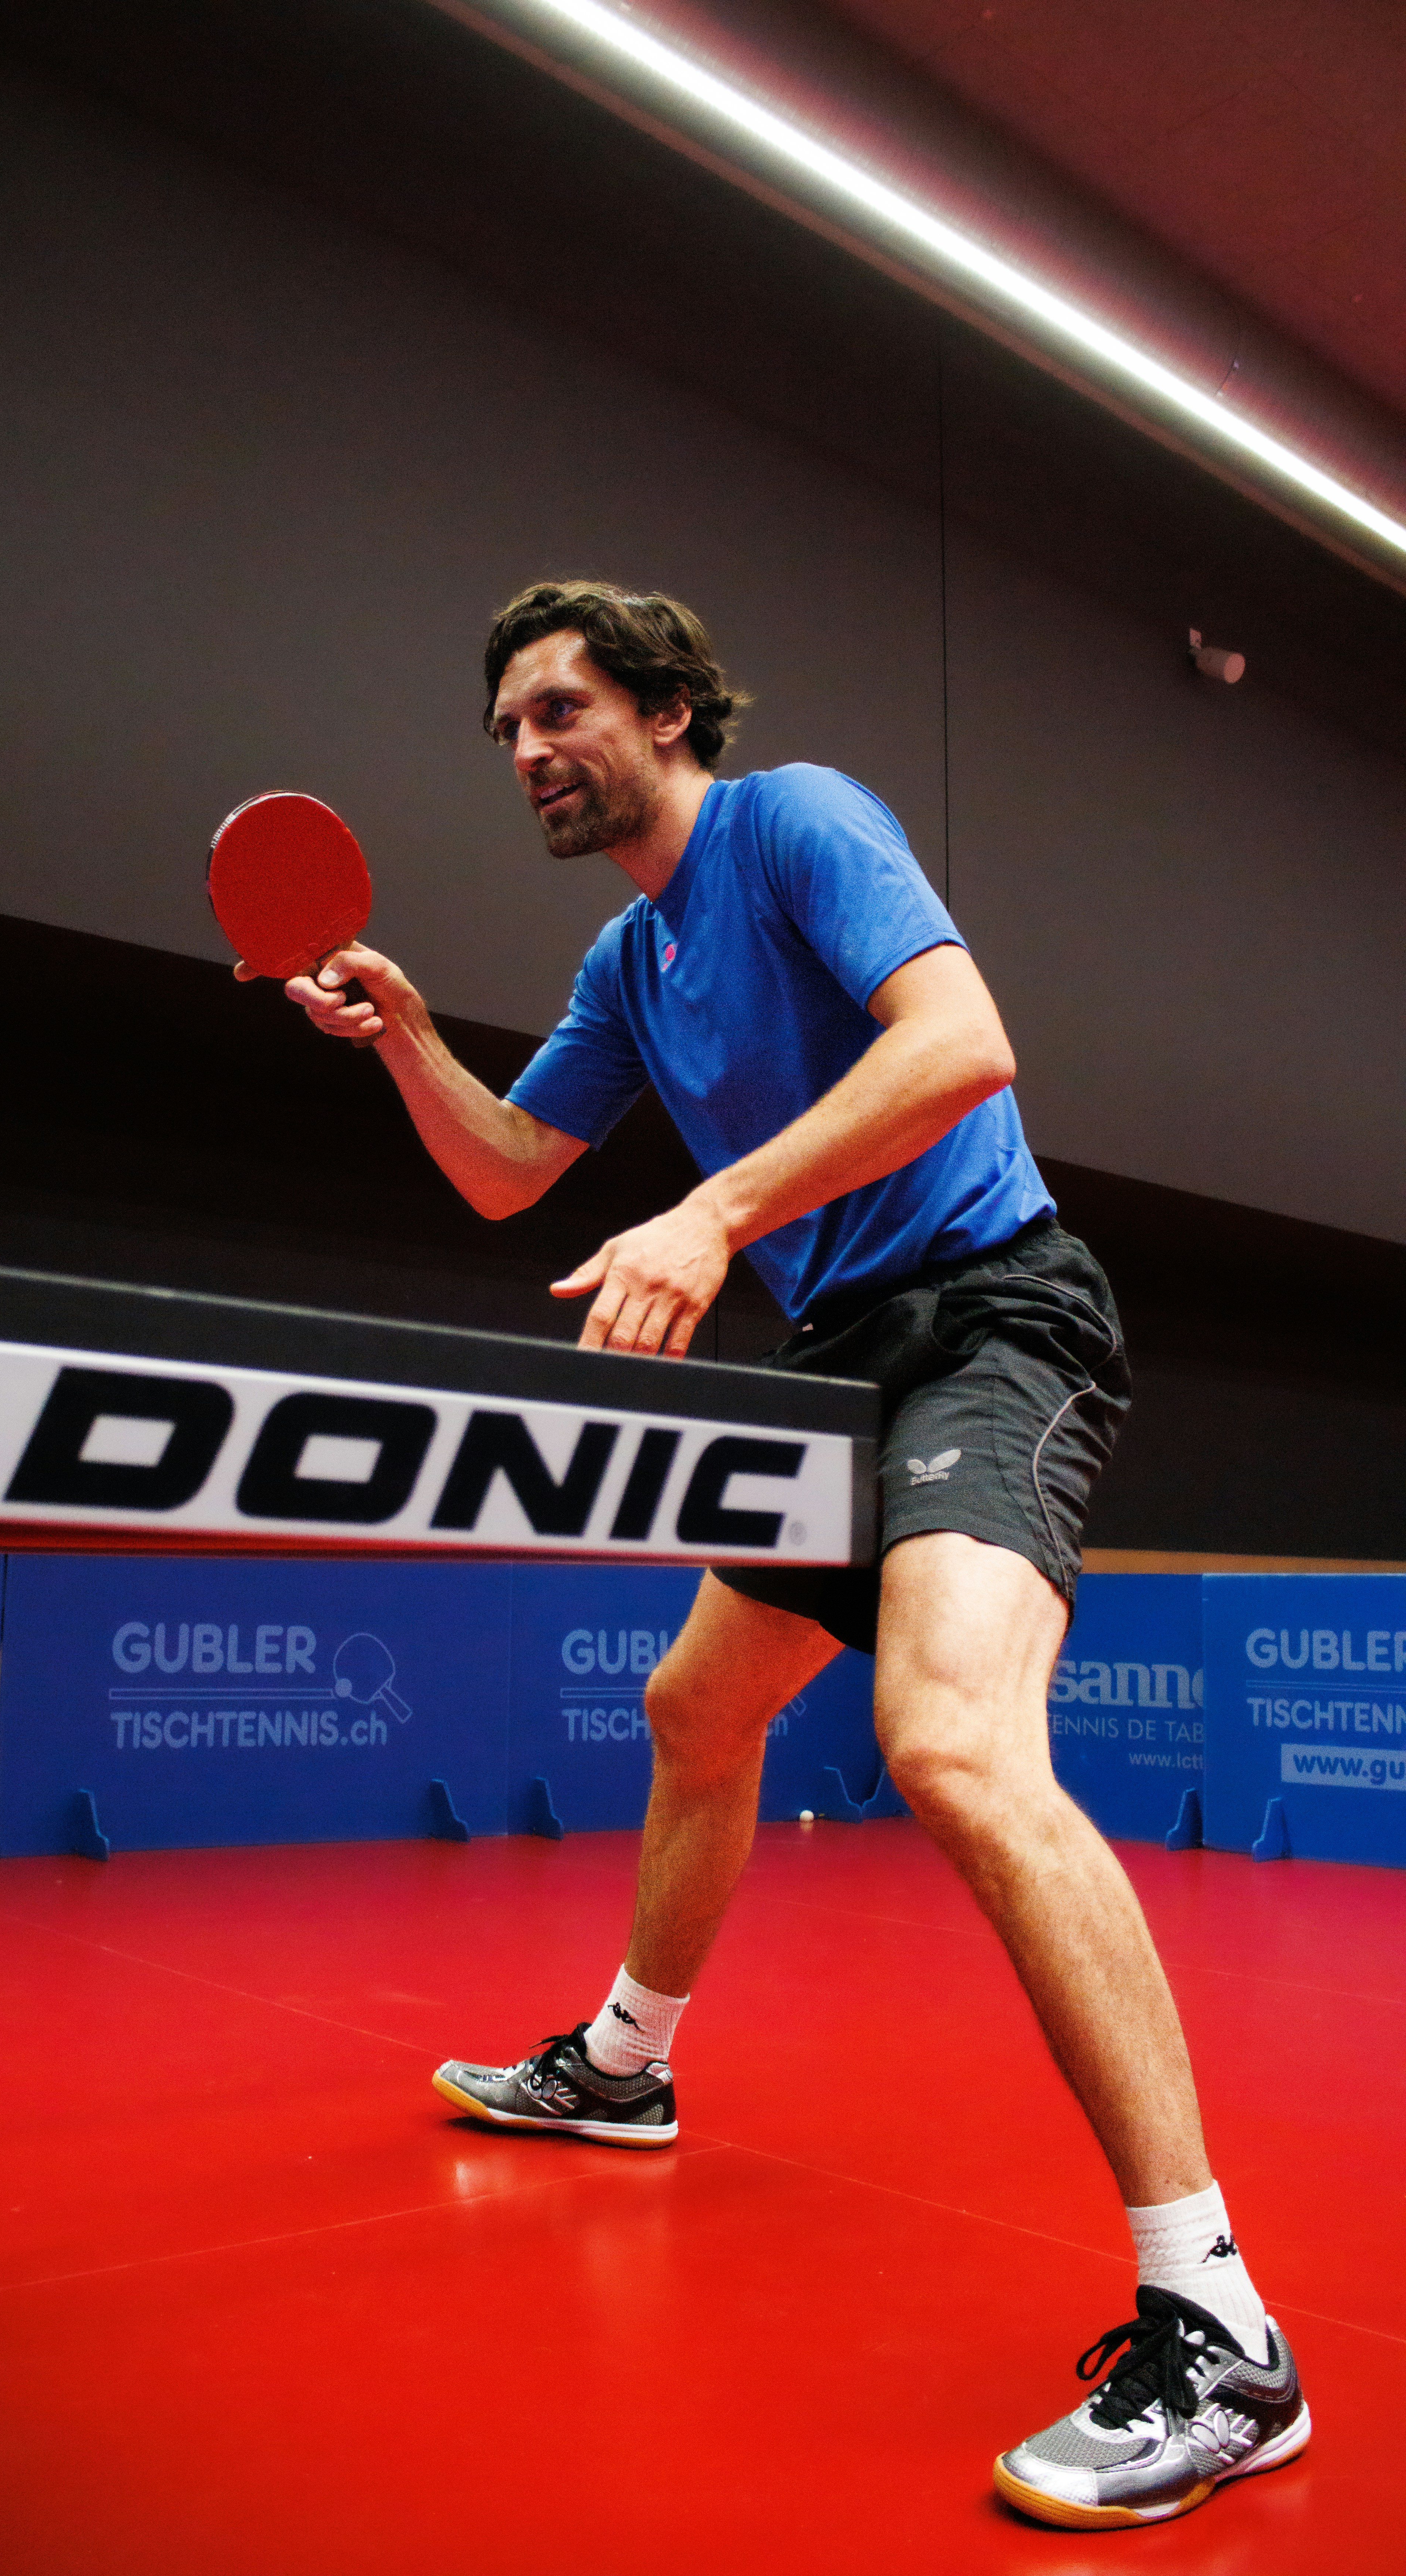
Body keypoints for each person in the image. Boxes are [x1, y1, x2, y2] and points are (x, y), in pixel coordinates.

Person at [282, 580, 1309, 2530]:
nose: (527, 751)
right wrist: (406, 1035)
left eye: (560, 708)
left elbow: (965, 1046)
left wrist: (715, 1214)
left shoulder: (796, 823)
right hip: (842, 1360)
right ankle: (628, 2066)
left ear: (667, 707)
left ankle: (1224, 2328)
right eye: (506, 731)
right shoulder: (630, 960)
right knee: (699, 1710)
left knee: (953, 1743)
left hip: (995, 1320)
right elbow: (509, 1170)